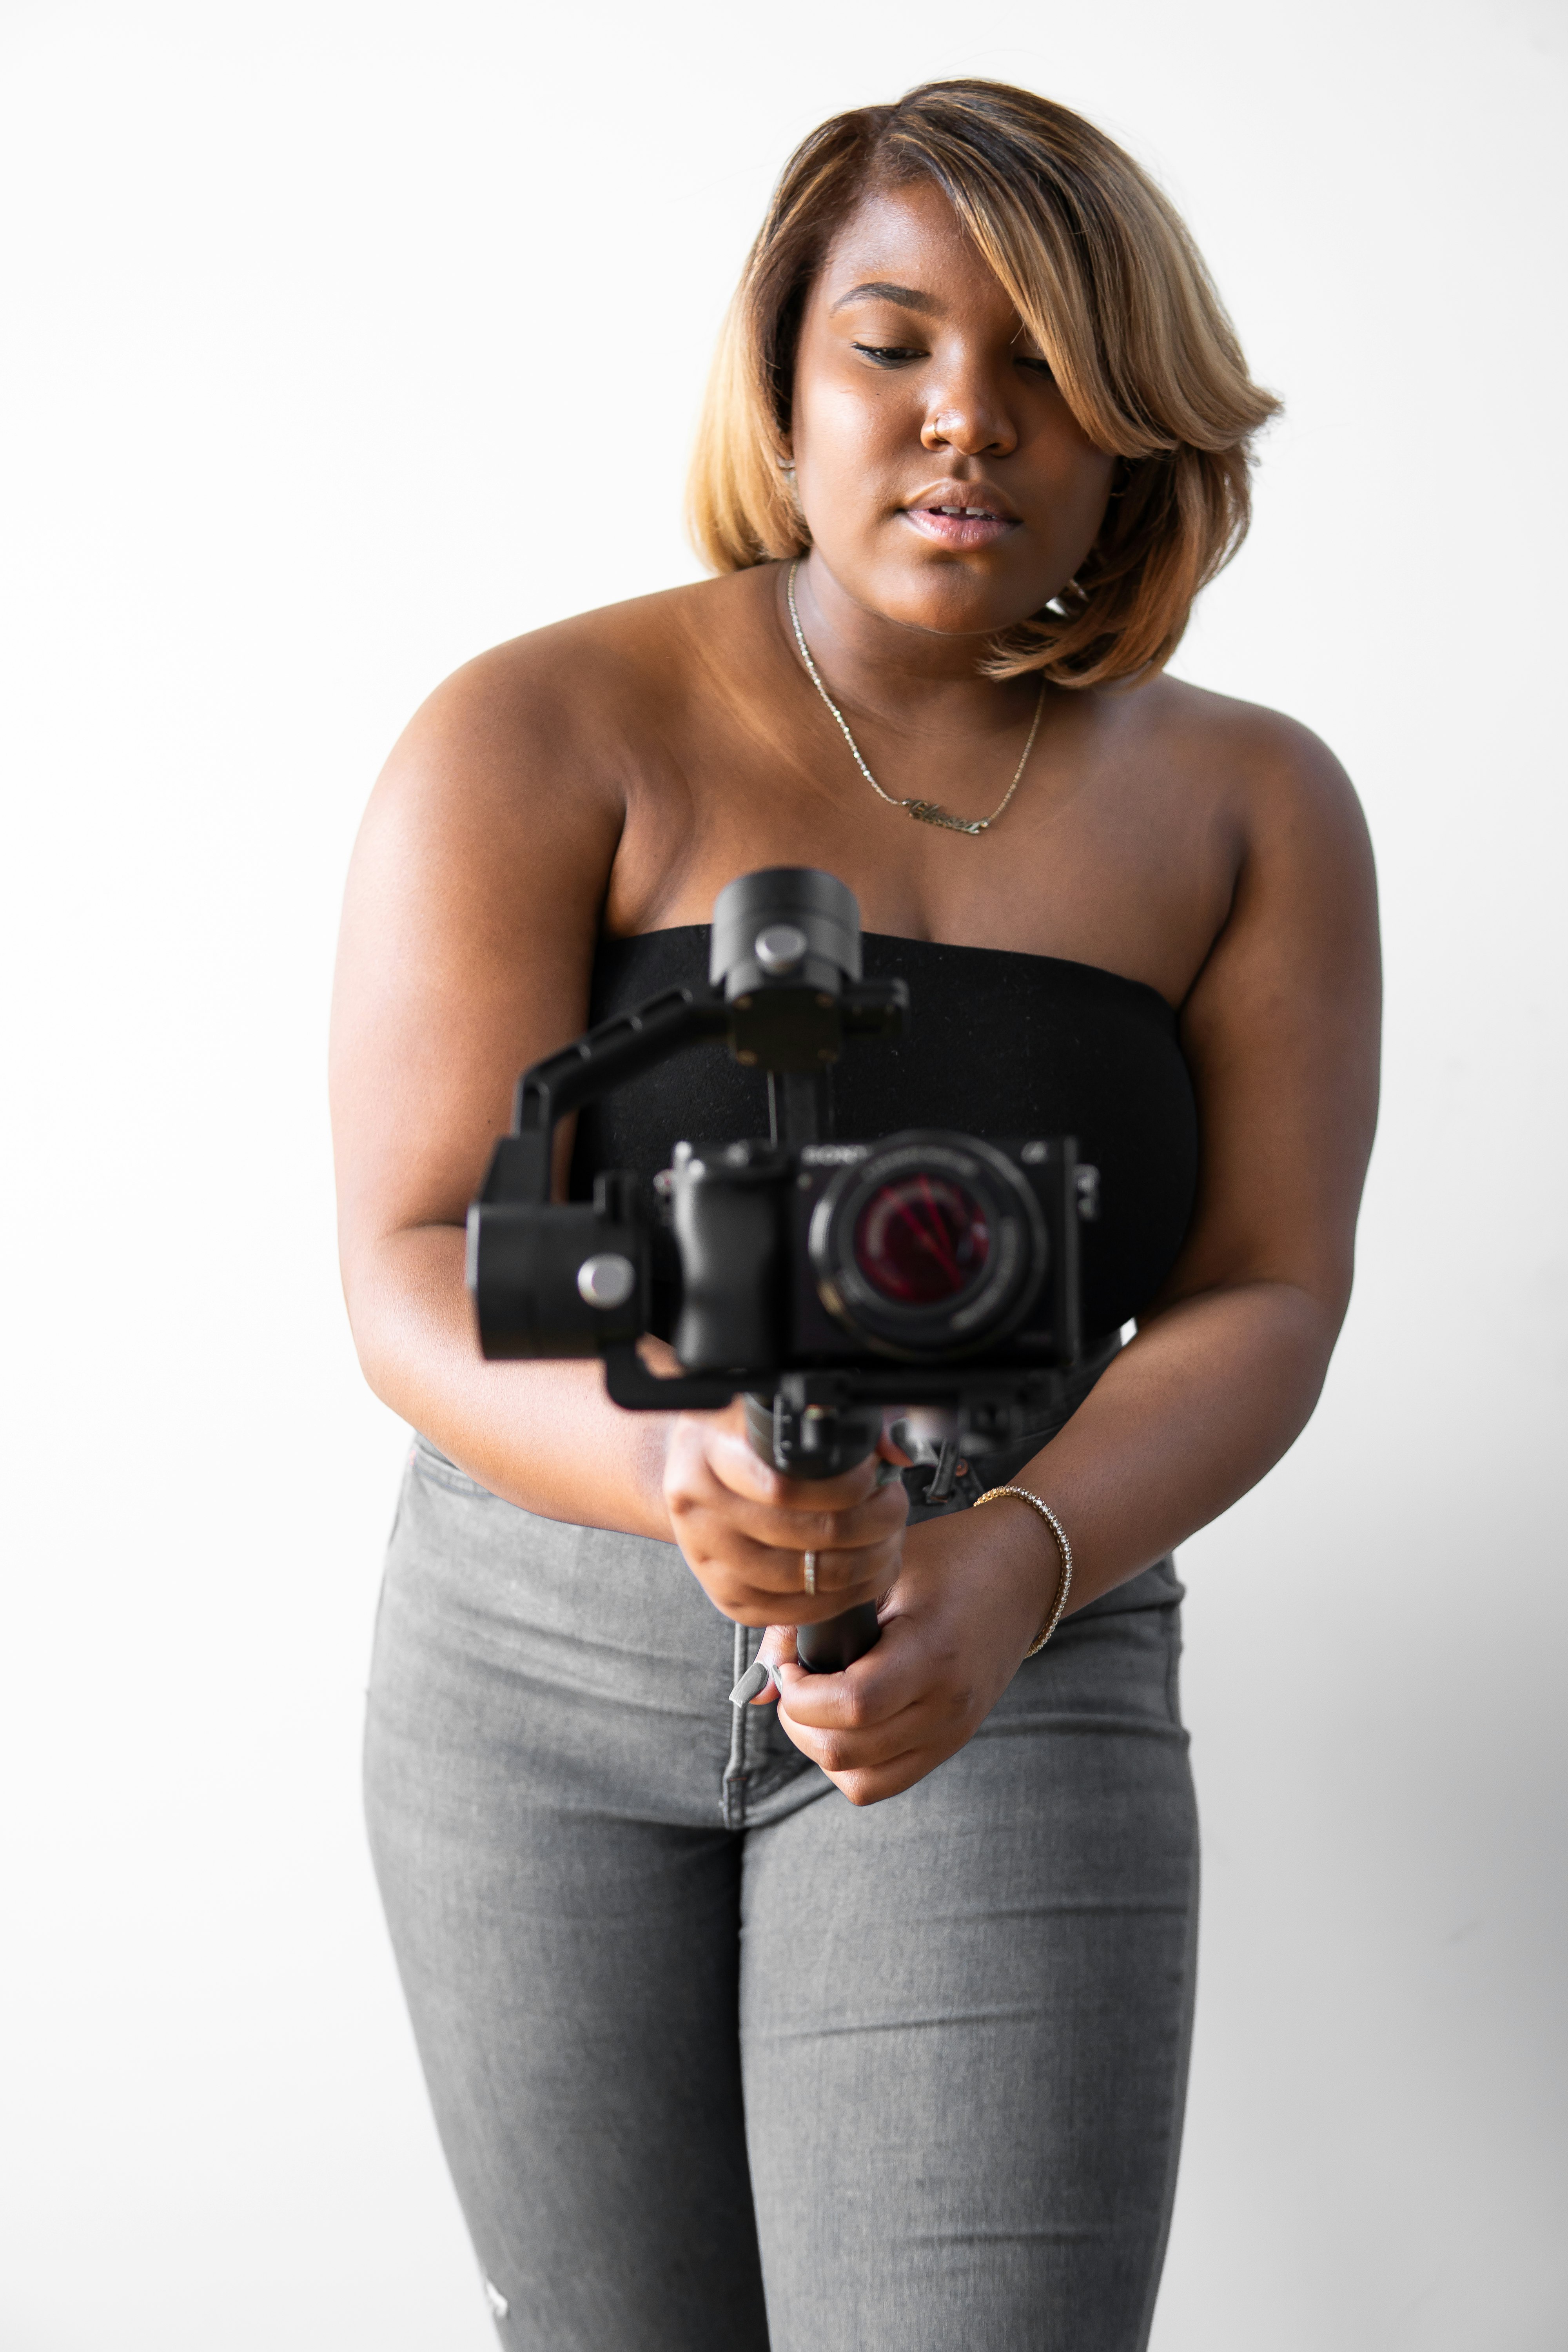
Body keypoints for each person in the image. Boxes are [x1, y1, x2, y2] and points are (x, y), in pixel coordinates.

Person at [330, 79, 1379, 2352]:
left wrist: (1009, 1565)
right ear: (786, 385)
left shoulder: (1251, 807)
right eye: (893, 345)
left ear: (1135, 435)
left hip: (1008, 1628)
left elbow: (1271, 1287)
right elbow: (415, 1256)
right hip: (527, 1668)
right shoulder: (540, 733)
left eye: (1041, 369)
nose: (963, 422)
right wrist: (666, 1466)